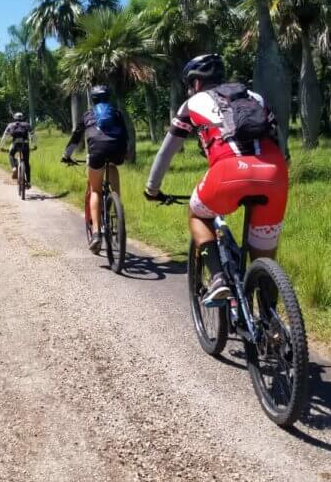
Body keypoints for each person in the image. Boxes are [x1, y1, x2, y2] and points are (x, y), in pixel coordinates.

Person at [144, 54, 288, 305]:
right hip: (274, 174)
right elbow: (280, 142)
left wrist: (152, 188)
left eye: (190, 84)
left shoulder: (192, 104)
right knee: (263, 257)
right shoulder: (253, 97)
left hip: (229, 174)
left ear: (197, 83)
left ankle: (219, 278)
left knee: (197, 213)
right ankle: (271, 329)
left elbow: (166, 152)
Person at [61, 86, 129, 254]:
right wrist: (126, 152)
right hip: (117, 150)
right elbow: (126, 136)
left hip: (97, 151)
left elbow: (76, 137)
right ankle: (116, 205)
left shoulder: (87, 115)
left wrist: (66, 155)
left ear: (93, 100)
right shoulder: (117, 113)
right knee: (112, 165)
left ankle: (97, 234)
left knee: (95, 191)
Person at [0, 112, 35, 185]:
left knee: (11, 154)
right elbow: (33, 136)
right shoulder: (27, 125)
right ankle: (28, 182)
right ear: (23, 118)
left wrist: (2, 147)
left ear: (14, 118)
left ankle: (14, 168)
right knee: (27, 163)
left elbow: (4, 137)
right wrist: (34, 145)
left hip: (15, 144)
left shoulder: (10, 125)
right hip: (25, 144)